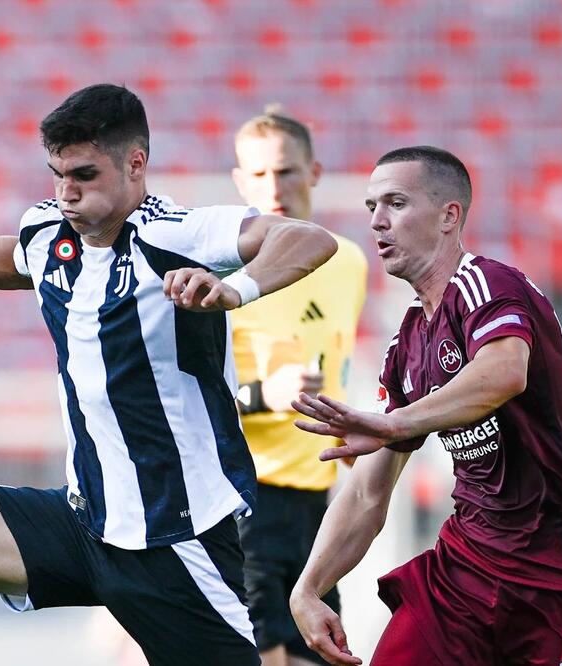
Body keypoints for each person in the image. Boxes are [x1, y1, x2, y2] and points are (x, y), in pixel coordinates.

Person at [0, 84, 338, 666]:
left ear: (135, 164)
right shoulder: (49, 231)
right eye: (56, 175)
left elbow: (306, 237)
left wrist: (235, 288)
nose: (66, 193)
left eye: (83, 175)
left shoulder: (180, 234)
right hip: (82, 522)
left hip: (176, 540)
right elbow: (14, 258)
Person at [287, 146, 562, 665]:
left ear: (448, 216)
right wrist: (308, 589)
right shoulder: (407, 344)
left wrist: (397, 424)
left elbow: (503, 373)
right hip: (467, 571)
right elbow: (369, 494)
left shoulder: (488, 283)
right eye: (372, 207)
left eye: (395, 202)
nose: (377, 221)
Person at [228, 106, 367, 666]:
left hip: (317, 502)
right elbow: (184, 404)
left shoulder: (348, 261)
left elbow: (337, 363)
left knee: (324, 653)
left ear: (314, 172)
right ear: (241, 182)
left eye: (286, 171)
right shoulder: (220, 273)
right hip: (244, 501)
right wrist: (266, 394)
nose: (274, 186)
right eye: (259, 175)